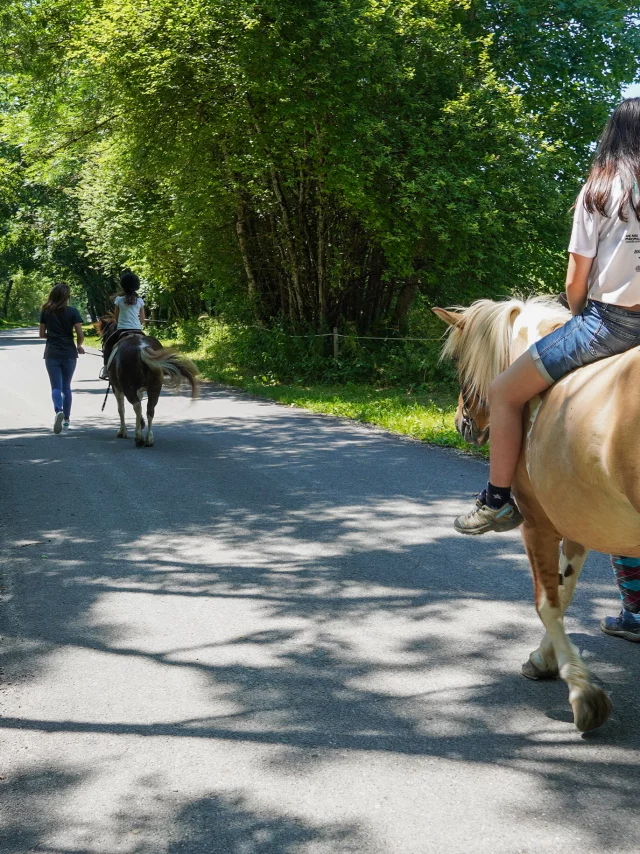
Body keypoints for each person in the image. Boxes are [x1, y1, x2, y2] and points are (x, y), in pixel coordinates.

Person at [454, 97, 640, 640]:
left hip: (611, 325)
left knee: (505, 391)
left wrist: (580, 317)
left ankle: (495, 499)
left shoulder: (600, 193)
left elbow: (575, 283)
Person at [39, 283, 85, 433]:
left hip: (52, 352)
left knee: (56, 387)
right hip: (69, 353)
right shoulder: (73, 312)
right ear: (67, 296)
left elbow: (41, 334)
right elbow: (80, 334)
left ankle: (58, 410)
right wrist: (79, 346)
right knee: (66, 387)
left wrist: (51, 336)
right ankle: (66, 420)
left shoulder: (46, 311)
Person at [99, 271, 145, 379]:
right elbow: (142, 320)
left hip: (121, 330)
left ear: (122, 286)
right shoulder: (140, 300)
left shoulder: (119, 300)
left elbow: (116, 318)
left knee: (108, 346)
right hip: (138, 331)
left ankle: (106, 369)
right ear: (136, 286)